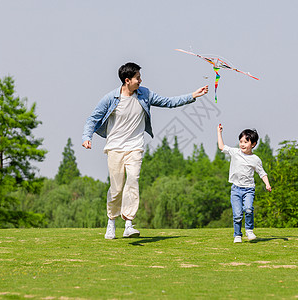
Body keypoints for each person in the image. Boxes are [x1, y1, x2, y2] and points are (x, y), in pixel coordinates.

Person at [82, 62, 208, 239]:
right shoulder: (111, 98)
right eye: (137, 78)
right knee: (116, 188)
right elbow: (93, 118)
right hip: (115, 147)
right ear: (127, 80)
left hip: (135, 147)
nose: (141, 80)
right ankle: (111, 221)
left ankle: (128, 224)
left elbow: (168, 102)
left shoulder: (145, 94)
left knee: (133, 180)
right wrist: (87, 137)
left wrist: (192, 95)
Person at [217, 124, 271, 243]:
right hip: (236, 189)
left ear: (253, 144)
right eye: (241, 141)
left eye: (246, 142)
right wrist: (219, 132)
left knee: (248, 209)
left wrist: (267, 184)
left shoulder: (255, 159)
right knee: (237, 214)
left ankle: (249, 230)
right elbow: (221, 146)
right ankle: (237, 235)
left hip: (248, 189)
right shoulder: (235, 152)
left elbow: (262, 173)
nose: (242, 144)